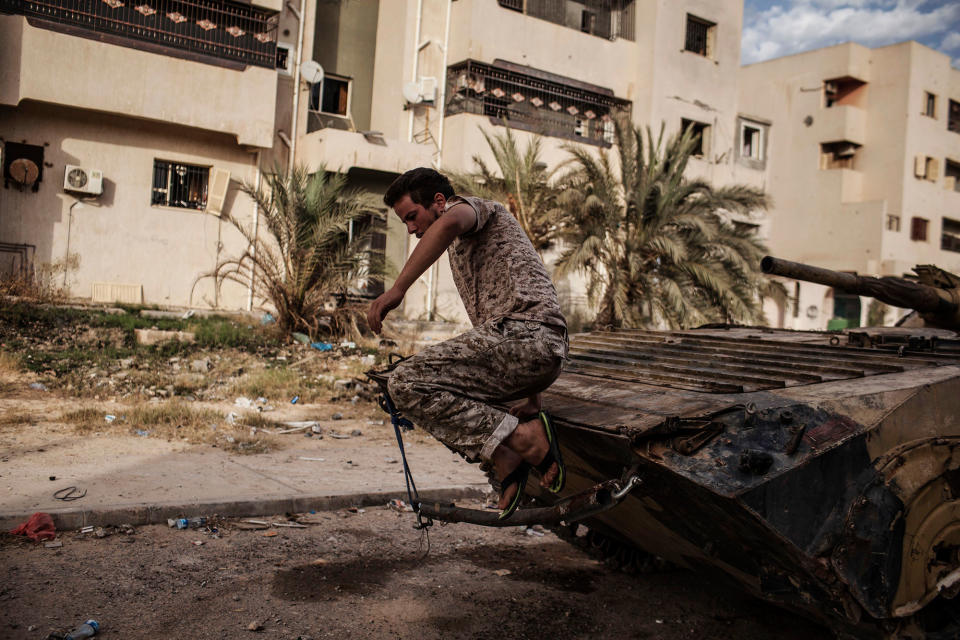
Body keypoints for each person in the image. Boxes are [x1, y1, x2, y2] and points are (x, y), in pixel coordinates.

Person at [367, 167, 568, 519]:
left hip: (529, 338)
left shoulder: (473, 209)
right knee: (411, 387)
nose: (412, 230)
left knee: (405, 381)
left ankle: (521, 442)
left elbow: (448, 223)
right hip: (526, 349)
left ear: (439, 202)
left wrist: (397, 289)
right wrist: (532, 398)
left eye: (412, 217)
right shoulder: (464, 251)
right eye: (405, 223)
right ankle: (507, 451)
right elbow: (503, 316)